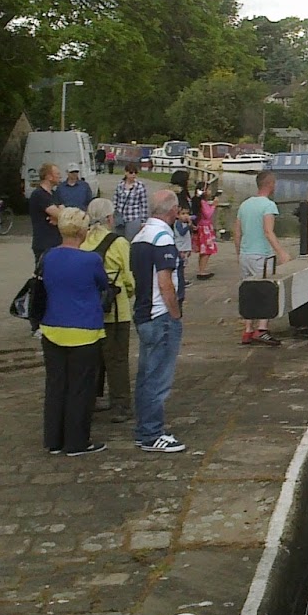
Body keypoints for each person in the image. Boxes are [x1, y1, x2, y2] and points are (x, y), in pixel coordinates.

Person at [39, 208, 110, 456]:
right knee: (81, 387)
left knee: (56, 385)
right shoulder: (91, 260)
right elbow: (103, 284)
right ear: (83, 231)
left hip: (52, 326)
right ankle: (77, 441)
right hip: (84, 329)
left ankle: (54, 439)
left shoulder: (48, 257)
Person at [131, 188, 188, 453]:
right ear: (173, 210)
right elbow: (165, 281)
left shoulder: (140, 236)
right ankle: (153, 433)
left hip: (142, 312)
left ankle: (143, 429)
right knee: (158, 378)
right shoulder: (163, 238)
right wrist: (175, 314)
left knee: (145, 376)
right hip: (160, 315)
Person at [83, 198, 136, 424]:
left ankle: (91, 398)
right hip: (116, 310)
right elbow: (130, 279)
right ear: (109, 218)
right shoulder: (118, 243)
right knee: (117, 359)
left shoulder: (82, 242)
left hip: (88, 310)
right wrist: (129, 292)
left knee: (92, 358)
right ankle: (120, 404)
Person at [235, 170, 290, 346]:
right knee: (265, 291)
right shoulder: (268, 206)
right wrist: (281, 252)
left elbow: (237, 233)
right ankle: (262, 329)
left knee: (248, 291)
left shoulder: (244, 205)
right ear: (271, 184)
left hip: (245, 253)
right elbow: (268, 231)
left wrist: (239, 252)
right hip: (262, 255)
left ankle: (248, 330)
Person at [27, 164, 63, 261]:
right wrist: (59, 217)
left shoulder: (55, 194)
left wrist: (59, 218)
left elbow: (65, 213)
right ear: (49, 176)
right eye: (57, 174)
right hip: (44, 244)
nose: (60, 176)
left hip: (58, 242)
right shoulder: (39, 194)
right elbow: (61, 215)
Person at [112, 162, 149, 240]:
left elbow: (144, 205)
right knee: (118, 239)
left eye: (135, 173)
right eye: (131, 172)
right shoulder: (120, 185)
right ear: (126, 173)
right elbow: (115, 200)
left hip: (133, 217)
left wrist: (143, 221)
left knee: (131, 240)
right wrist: (113, 214)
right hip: (120, 217)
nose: (133, 175)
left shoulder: (140, 186)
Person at [192, 187, 220, 279]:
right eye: (208, 189)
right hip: (205, 228)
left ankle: (202, 269)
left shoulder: (201, 202)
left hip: (204, 227)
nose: (210, 191)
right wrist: (214, 205)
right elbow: (208, 214)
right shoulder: (202, 203)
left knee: (204, 251)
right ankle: (202, 271)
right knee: (207, 250)